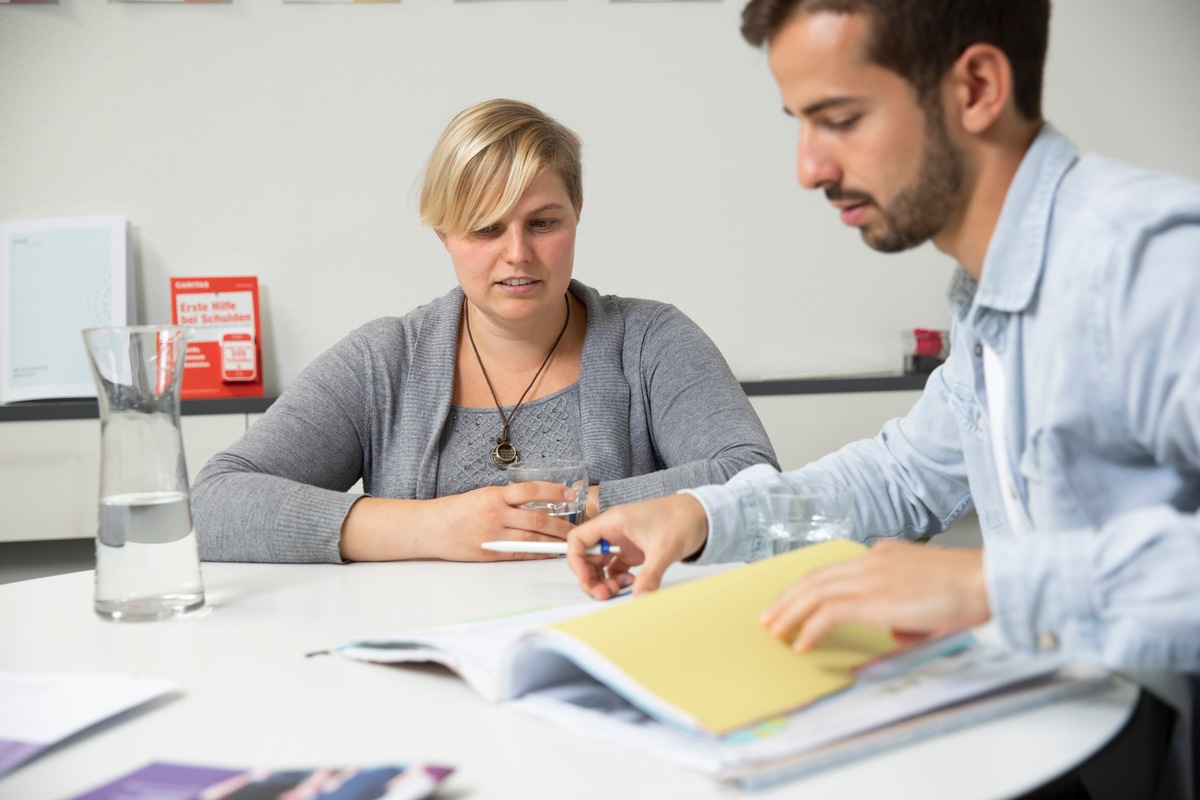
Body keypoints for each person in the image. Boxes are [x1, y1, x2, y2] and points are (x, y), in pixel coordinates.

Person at [567, 0, 1200, 679]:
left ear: (977, 89)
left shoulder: (1149, 266)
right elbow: (901, 478)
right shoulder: (991, 297)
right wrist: (700, 515)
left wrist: (983, 586)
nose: (809, 169)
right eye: (802, 124)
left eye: (840, 121)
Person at [192, 99, 777, 564]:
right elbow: (215, 504)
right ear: (444, 233)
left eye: (542, 223)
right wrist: (433, 527)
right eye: (485, 229)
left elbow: (752, 480)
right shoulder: (384, 361)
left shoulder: (652, 340)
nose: (517, 254)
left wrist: (564, 508)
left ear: (577, 213)